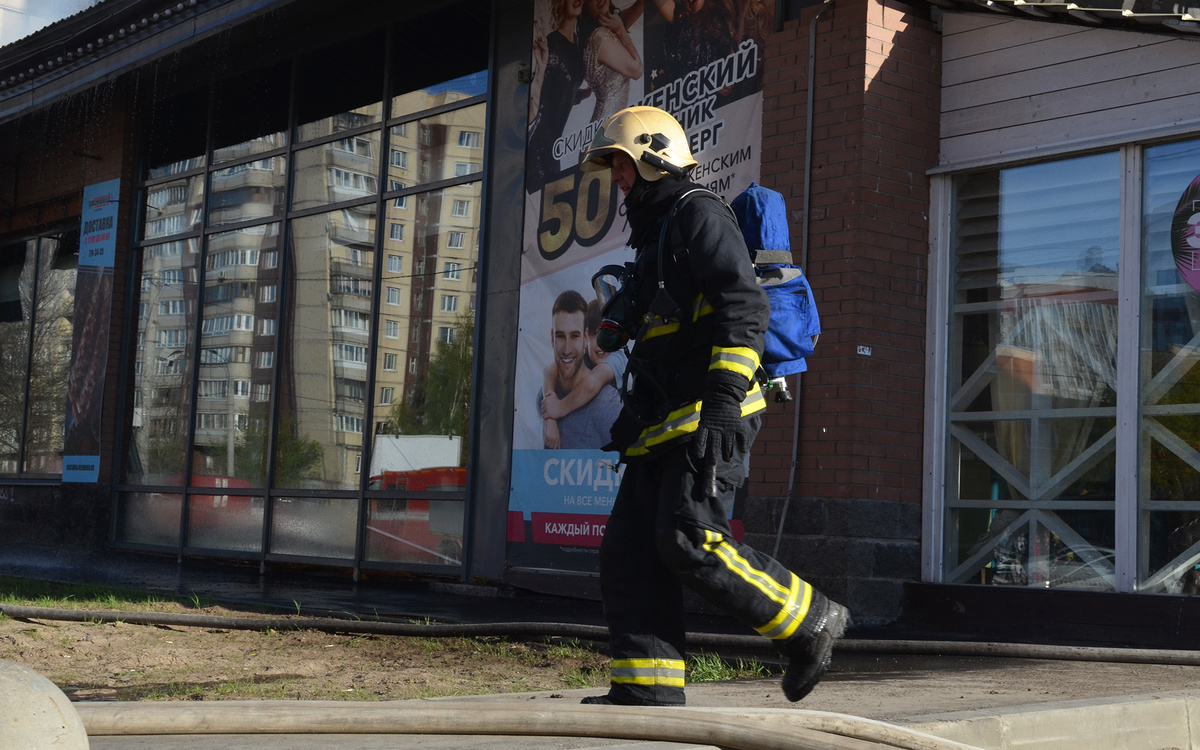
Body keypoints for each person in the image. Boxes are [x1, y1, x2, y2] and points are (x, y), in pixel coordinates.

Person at [576, 105, 848, 706]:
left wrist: (726, 398)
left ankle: (811, 624)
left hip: (709, 412)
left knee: (689, 539)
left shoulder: (698, 213)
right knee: (630, 554)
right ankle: (647, 690)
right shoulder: (655, 237)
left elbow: (744, 308)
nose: (616, 177)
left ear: (653, 158)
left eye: (621, 163)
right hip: (660, 421)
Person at [540, 289, 622, 449]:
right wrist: (549, 413)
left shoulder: (618, 358)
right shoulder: (581, 359)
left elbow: (593, 383)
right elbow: (550, 369)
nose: (600, 343)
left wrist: (558, 409)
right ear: (587, 339)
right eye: (594, 334)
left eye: (606, 333)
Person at [528, 0, 589, 192]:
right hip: (539, 146)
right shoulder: (553, 43)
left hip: (554, 147)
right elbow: (545, 90)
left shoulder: (578, 41)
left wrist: (581, 95)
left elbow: (561, 86)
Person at [581, 0, 644, 124]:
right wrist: (621, 28)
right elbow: (637, 70)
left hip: (612, 125)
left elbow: (639, 6)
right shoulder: (600, 36)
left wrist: (620, 26)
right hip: (605, 125)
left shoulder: (610, 27)